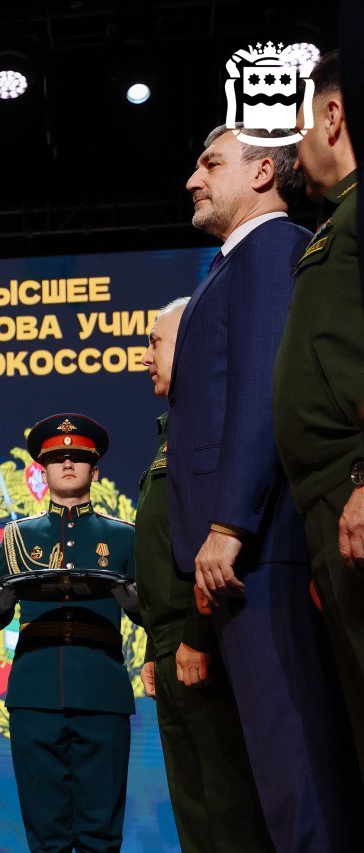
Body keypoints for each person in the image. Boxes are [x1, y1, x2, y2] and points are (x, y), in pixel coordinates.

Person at [172, 124, 353, 850]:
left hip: (258, 551)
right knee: (274, 773)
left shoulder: (272, 248)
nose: (194, 179)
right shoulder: (234, 262)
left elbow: (258, 392)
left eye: (211, 163)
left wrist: (229, 524)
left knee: (296, 764)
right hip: (243, 556)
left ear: (263, 173)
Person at [136, 300, 271, 853]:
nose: (145, 357)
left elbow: (210, 548)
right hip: (172, 644)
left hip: (204, 637)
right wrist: (156, 646)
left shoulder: (212, 425)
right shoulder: (173, 432)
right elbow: (164, 552)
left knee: (227, 807)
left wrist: (197, 635)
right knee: (193, 811)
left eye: (155, 343)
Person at [0, 413, 139, 853]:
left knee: (101, 833)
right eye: (57, 459)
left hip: (102, 692)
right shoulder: (16, 536)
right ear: (42, 472)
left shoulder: (124, 536)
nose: (68, 464)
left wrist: (133, 601)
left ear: (95, 471)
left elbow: (151, 614)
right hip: (35, 693)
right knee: (45, 833)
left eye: (78, 458)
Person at [276, 48, 364, 771]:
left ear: (333, 115)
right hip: (330, 504)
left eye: (299, 126)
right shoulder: (338, 220)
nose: (293, 149)